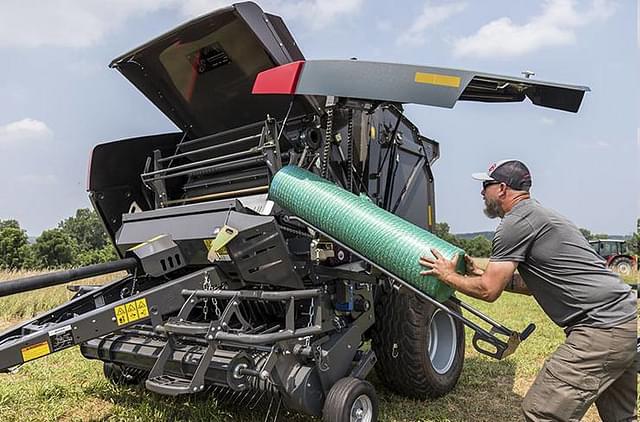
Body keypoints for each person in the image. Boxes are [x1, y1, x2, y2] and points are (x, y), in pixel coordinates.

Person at [419, 159, 637, 422]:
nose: (481, 193)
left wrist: (447, 275)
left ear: (501, 188)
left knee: (542, 413)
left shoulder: (515, 223)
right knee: (620, 418)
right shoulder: (541, 215)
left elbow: (488, 292)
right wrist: (481, 273)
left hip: (599, 331)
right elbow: (533, 284)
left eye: (485, 185)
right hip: (624, 326)